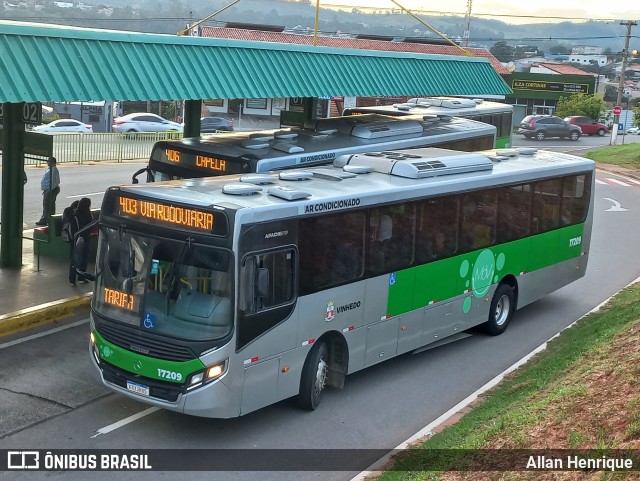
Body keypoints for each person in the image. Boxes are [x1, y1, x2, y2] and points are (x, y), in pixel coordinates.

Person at [69, 197, 92, 287]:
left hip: (75, 239)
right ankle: (81, 278)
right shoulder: (88, 215)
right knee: (84, 259)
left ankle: (72, 279)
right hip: (85, 239)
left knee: (74, 260)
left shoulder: (74, 215)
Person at [36, 156, 60, 226]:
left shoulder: (54, 170)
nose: (47, 162)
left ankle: (44, 220)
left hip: (50, 189)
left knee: (46, 205)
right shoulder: (51, 169)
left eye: (49, 161)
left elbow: (55, 180)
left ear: (53, 162)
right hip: (49, 189)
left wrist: (50, 189)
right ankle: (50, 219)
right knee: (51, 205)